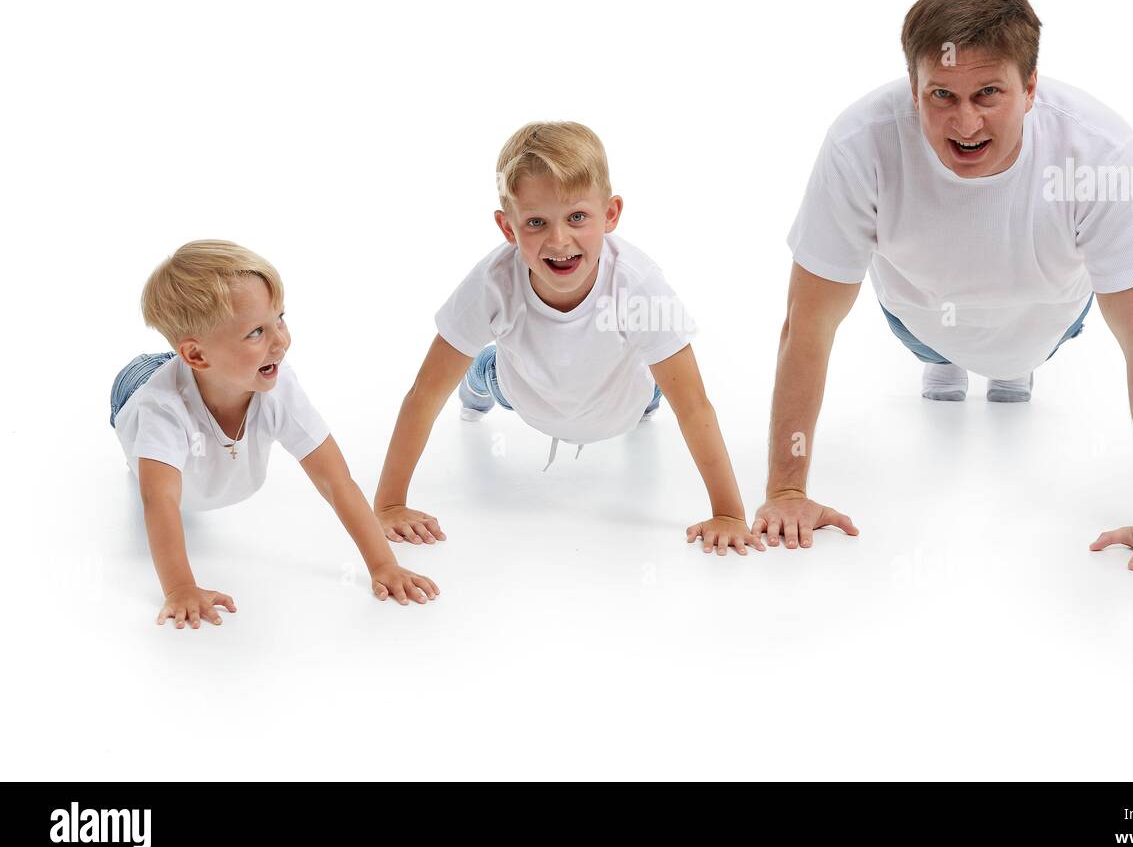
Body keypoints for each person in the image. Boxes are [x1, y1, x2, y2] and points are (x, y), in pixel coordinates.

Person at [756, 0, 1133, 575]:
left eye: (988, 93)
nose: (964, 122)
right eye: (941, 94)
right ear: (912, 89)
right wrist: (787, 491)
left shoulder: (1098, 150)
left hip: (1048, 322)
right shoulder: (858, 142)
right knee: (937, 344)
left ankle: (1008, 366)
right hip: (919, 318)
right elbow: (806, 327)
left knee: (1017, 356)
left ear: (1030, 89)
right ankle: (949, 360)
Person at [373, 121, 761, 556]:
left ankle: (643, 393)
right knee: (483, 369)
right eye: (536, 222)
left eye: (577, 217)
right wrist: (389, 503)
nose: (559, 241)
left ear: (610, 214)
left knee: (659, 384)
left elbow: (693, 404)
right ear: (508, 227)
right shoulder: (493, 283)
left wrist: (728, 513)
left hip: (627, 400)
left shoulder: (637, 285)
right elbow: (425, 393)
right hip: (521, 392)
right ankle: (477, 383)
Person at [111, 240, 438, 628]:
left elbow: (335, 481)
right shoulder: (162, 408)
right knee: (151, 459)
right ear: (197, 356)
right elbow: (159, 500)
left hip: (201, 370)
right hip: (135, 384)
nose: (281, 341)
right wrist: (180, 587)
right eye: (256, 332)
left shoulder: (276, 387)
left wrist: (383, 565)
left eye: (279, 318)